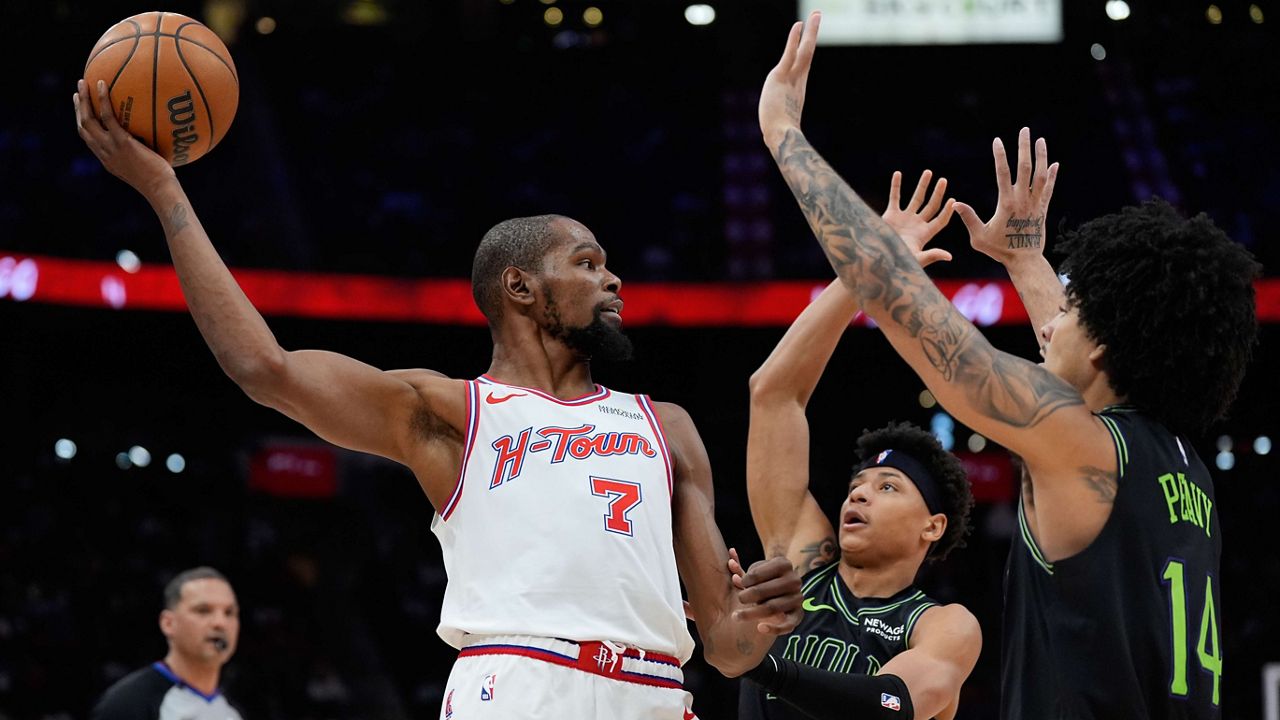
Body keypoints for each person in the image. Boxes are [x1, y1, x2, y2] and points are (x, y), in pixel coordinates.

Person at [74, 76, 802, 719]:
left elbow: (730, 647)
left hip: (655, 691)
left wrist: (763, 618)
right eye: (587, 264)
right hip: (521, 685)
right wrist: (166, 191)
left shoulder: (667, 427)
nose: (613, 281)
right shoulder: (448, 412)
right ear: (519, 286)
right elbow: (264, 368)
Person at [758, 12, 1259, 720]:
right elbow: (1076, 359)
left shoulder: (1085, 447)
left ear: (1109, 343)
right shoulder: (1183, 469)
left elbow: (896, 299)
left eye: (1073, 303)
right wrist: (1025, 258)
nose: (1051, 319)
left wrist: (783, 134)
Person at [734, 170, 980, 720]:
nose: (859, 497)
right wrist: (864, 272)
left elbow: (885, 707)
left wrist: (748, 659)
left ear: (932, 526)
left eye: (887, 487)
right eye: (858, 486)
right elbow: (773, 395)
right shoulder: (802, 562)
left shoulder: (942, 625)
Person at [90, 567, 243, 720]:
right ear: (168, 624)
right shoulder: (128, 704)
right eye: (203, 610)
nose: (220, 623)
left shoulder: (236, 710)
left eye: (229, 613)